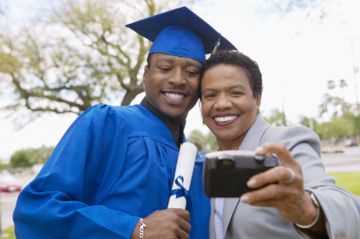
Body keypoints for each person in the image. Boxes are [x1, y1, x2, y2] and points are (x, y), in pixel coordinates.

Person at [13, 7, 236, 239]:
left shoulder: (197, 163)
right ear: (146, 74)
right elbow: (37, 209)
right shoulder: (106, 123)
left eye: (191, 72)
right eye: (165, 68)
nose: (178, 79)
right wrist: (133, 228)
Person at [200, 50, 360, 239]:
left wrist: (306, 209)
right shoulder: (205, 164)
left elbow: (342, 204)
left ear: (257, 98)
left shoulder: (285, 142)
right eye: (210, 95)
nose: (222, 104)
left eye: (235, 93)